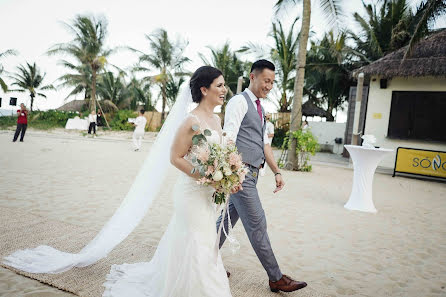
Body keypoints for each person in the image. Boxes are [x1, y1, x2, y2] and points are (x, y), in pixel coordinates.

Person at [4, 66, 236, 297]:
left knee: (201, 241)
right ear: (204, 89)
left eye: (224, 85)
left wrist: (226, 176)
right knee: (198, 242)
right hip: (191, 194)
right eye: (220, 85)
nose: (225, 89)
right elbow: (175, 157)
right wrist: (204, 175)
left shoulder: (216, 119)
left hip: (207, 194)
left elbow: (218, 155)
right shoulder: (190, 121)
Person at [218, 60, 307, 293]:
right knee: (258, 223)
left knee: (225, 221)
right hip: (241, 175)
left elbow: (265, 144)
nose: (269, 86)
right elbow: (228, 137)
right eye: (266, 80)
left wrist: (277, 171)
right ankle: (276, 277)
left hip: (253, 173)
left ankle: (204, 262)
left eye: (272, 82)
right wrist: (232, 174)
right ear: (252, 77)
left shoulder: (260, 108)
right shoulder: (239, 102)